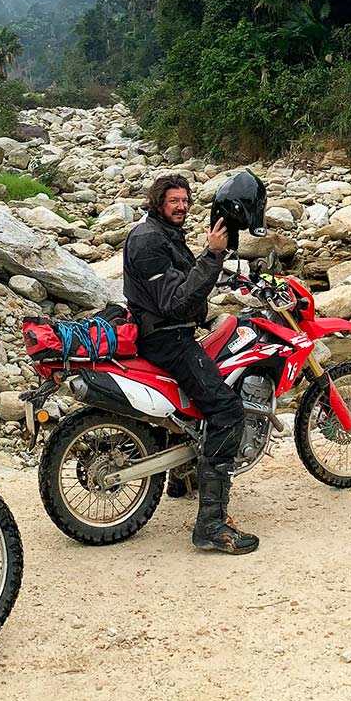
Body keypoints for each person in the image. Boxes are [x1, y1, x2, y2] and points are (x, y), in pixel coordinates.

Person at [122, 173, 256, 555]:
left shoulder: (163, 233)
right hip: (167, 338)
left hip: (171, 331)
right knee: (227, 409)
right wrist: (212, 255)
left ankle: (182, 478)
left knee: (195, 402)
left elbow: (185, 280)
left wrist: (219, 262)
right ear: (158, 202)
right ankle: (211, 525)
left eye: (185, 200)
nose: (181, 206)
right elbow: (173, 301)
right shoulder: (148, 240)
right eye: (173, 200)